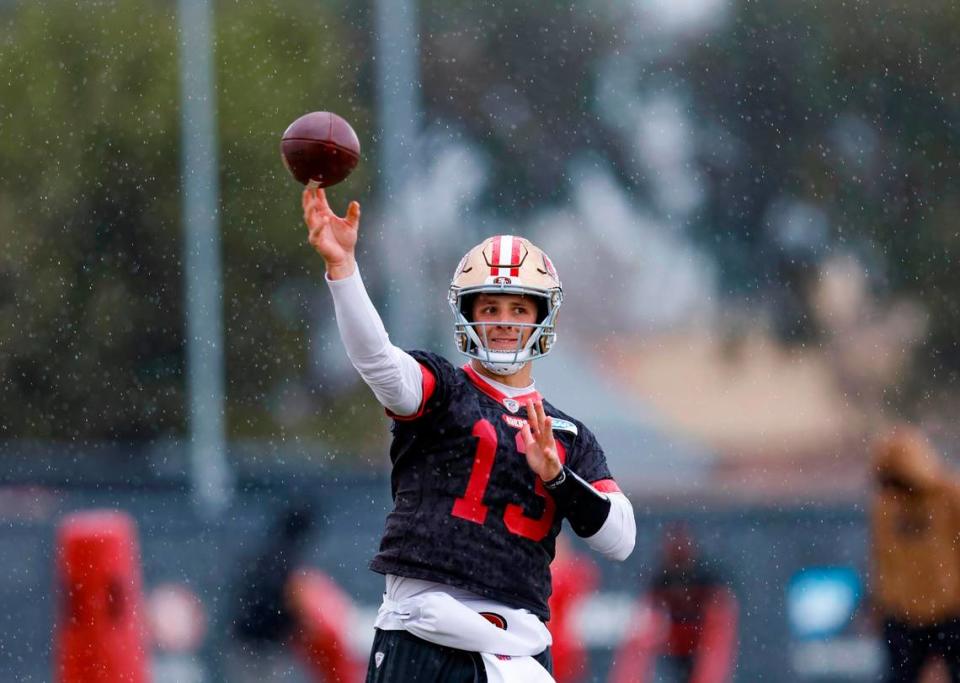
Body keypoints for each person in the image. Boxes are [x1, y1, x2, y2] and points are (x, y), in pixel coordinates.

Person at [302, 187, 637, 682]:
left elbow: (621, 538)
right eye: (491, 307)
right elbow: (377, 360)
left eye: (519, 310)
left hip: (517, 650)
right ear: (468, 313)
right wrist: (343, 270)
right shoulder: (445, 389)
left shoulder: (565, 434)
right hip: (421, 634)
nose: (504, 323)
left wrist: (560, 478)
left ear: (542, 318)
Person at [870, 424, 960, 683]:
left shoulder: (948, 497)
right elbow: (883, 558)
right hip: (904, 615)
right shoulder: (886, 507)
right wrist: (884, 603)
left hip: (950, 611)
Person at [609, 524, 737, 683]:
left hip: (699, 637)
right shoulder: (662, 579)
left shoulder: (704, 577)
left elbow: (720, 619)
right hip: (677, 638)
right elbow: (646, 619)